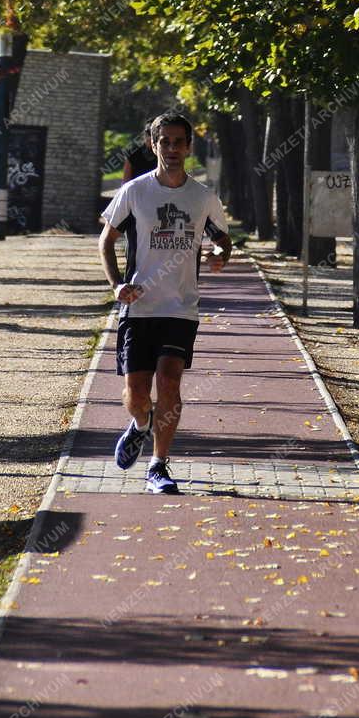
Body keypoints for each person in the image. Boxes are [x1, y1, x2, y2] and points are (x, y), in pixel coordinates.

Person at [99, 112, 232, 495]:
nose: (172, 149)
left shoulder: (202, 197)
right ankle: (140, 425)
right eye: (164, 142)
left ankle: (158, 465)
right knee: (137, 395)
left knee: (170, 380)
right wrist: (116, 285)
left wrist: (220, 255)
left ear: (189, 146)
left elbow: (223, 240)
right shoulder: (135, 192)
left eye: (179, 142)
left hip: (180, 306)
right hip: (138, 307)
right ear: (153, 145)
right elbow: (106, 241)